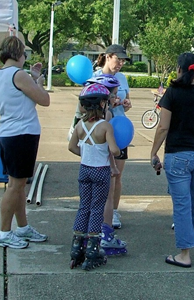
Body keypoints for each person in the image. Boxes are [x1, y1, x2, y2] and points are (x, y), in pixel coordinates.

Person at [150, 52, 194, 267]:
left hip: (178, 155)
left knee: (181, 205)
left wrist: (153, 152)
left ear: (179, 69)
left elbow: (163, 127)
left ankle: (185, 255)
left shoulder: (172, 93)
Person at [0, 36, 50, 249]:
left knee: (16, 184)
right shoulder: (19, 74)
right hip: (21, 134)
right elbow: (44, 99)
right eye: (24, 53)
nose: (26, 57)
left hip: (8, 133)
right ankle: (4, 232)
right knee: (15, 186)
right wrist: (39, 81)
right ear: (18, 54)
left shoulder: (0, 75)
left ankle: (23, 227)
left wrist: (32, 79)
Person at [68, 83, 121, 270]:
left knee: (84, 206)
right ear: (102, 105)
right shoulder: (105, 126)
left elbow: (71, 146)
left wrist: (86, 154)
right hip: (101, 171)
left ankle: (76, 247)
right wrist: (118, 149)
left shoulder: (80, 125)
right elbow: (114, 150)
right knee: (97, 208)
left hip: (85, 169)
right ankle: (92, 248)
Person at [85, 75, 127, 256]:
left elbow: (73, 146)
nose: (116, 99)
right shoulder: (107, 116)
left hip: (87, 165)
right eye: (114, 95)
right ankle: (106, 235)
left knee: (89, 200)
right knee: (107, 198)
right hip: (103, 164)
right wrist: (113, 164)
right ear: (104, 98)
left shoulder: (85, 119)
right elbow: (110, 148)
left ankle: (88, 233)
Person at [94, 44, 132, 229]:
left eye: (123, 60)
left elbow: (126, 100)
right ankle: (99, 210)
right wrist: (108, 101)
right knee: (101, 173)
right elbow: (88, 106)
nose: (121, 64)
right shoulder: (95, 77)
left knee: (117, 174)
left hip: (119, 130)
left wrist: (124, 103)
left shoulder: (122, 78)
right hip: (101, 130)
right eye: (118, 59)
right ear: (108, 57)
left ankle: (114, 211)